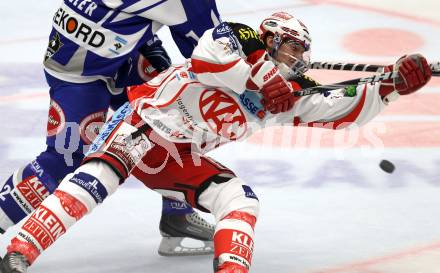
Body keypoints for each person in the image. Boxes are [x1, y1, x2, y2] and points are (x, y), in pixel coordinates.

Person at [0, 11, 431, 273]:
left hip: (178, 156)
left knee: (241, 201)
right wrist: (262, 78)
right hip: (141, 125)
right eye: (291, 51)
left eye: (301, 55)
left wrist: (392, 87)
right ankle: (19, 253)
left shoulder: (287, 96)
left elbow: (342, 112)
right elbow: (212, 55)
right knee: (93, 181)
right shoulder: (233, 42)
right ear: (271, 43)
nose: (297, 61)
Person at [0, 0, 224, 257]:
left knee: (169, 119)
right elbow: (217, 56)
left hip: (117, 52)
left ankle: (177, 215)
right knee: (64, 159)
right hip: (80, 70)